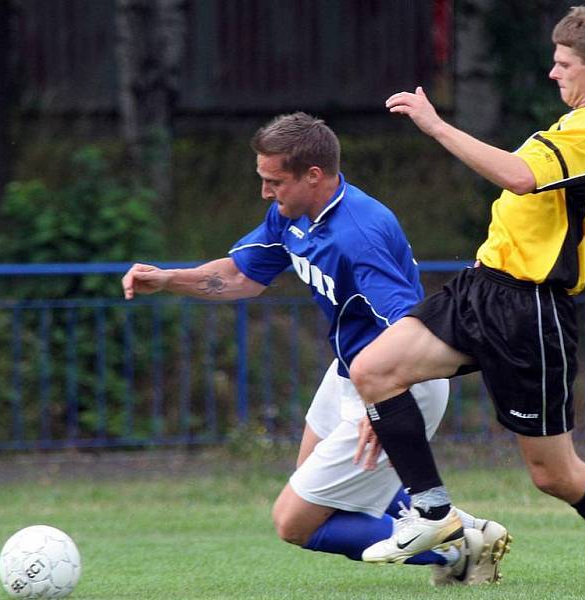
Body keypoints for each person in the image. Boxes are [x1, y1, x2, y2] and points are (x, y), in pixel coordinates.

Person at [349, 5, 585, 588]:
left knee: (555, 474)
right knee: (373, 371)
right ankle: (434, 515)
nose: (552, 72)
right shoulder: (575, 124)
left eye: (563, 62)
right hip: (481, 288)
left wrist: (436, 125)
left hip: (528, 312)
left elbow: (518, 175)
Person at [121, 112, 511, 586]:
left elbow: (411, 326)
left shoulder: (358, 234)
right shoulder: (293, 214)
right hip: (350, 371)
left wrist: (386, 406)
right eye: (263, 180)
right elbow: (243, 277)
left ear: (314, 175)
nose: (266, 192)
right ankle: (468, 530)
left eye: (274, 181)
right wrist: (167, 280)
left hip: (400, 379)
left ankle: (456, 551)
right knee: (318, 486)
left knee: (294, 521)